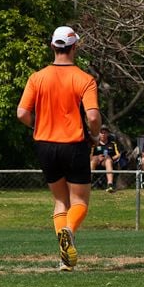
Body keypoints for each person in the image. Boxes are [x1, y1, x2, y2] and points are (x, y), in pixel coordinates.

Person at [17, 25, 100, 272]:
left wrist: (37, 126)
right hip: (74, 145)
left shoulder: (37, 77)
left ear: (52, 46)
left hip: (45, 145)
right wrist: (94, 136)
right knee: (80, 202)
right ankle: (68, 232)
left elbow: (22, 112)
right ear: (75, 47)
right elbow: (93, 116)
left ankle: (65, 259)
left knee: (60, 201)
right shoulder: (84, 79)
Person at [91, 125, 121, 192]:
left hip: (107, 162)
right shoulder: (94, 144)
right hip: (96, 161)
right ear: (98, 134)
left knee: (108, 161)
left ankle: (110, 185)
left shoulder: (113, 144)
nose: (103, 134)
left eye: (105, 132)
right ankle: (88, 182)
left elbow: (118, 154)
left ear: (108, 134)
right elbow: (89, 155)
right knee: (93, 160)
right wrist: (97, 157)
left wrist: (110, 158)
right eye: (101, 132)